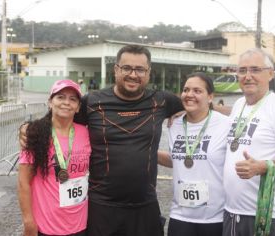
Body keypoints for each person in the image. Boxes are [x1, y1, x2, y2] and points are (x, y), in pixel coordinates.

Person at [20, 45, 184, 236]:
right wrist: (30, 128)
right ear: (116, 69)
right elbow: (62, 116)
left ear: (148, 72)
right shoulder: (92, 102)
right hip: (102, 206)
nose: (133, 74)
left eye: (140, 69)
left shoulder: (162, 101)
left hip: (144, 204)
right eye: (126, 68)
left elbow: (199, 107)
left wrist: (185, 111)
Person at [223, 48, 275, 236]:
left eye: (255, 70)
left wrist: (262, 167)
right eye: (242, 70)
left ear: (270, 74)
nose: (248, 76)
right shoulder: (238, 105)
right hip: (232, 213)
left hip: (267, 217)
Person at [158, 72, 230, 236]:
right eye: (186, 90)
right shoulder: (174, 124)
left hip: (215, 218)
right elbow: (176, 159)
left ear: (210, 97)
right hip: (180, 216)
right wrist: (143, 151)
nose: (190, 94)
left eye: (197, 91)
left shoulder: (225, 124)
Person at [18, 79, 91, 236]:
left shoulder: (86, 133)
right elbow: (23, 183)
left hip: (80, 224)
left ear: (78, 107)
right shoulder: (36, 134)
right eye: (60, 97)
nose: (66, 102)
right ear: (50, 102)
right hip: (47, 225)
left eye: (73, 99)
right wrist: (28, 221)